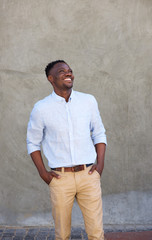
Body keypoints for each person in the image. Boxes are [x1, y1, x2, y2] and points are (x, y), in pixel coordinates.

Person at [27, 60, 107, 240]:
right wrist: (43, 173)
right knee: (62, 234)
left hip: (89, 175)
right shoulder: (41, 108)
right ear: (51, 78)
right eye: (62, 71)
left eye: (70, 70)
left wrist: (99, 165)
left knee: (96, 233)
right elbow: (32, 143)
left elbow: (99, 132)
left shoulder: (88, 101)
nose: (68, 73)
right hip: (60, 178)